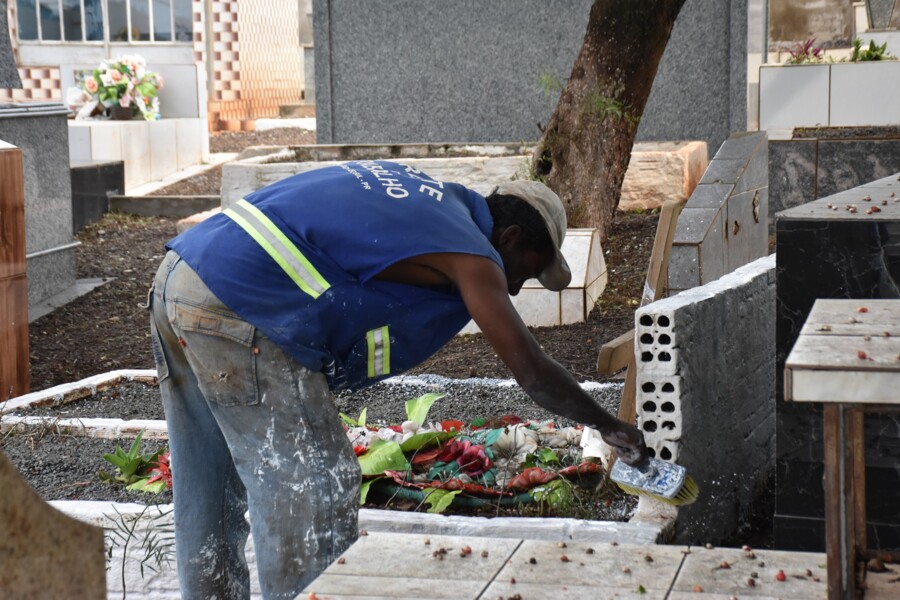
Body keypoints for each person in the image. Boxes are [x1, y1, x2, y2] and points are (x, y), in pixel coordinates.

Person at [148, 159, 648, 599]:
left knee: (206, 484)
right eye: (525, 271)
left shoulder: (428, 200)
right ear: (510, 238)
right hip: (238, 302)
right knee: (313, 485)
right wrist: (610, 426)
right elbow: (533, 372)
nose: (515, 286)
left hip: (181, 271)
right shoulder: (473, 254)